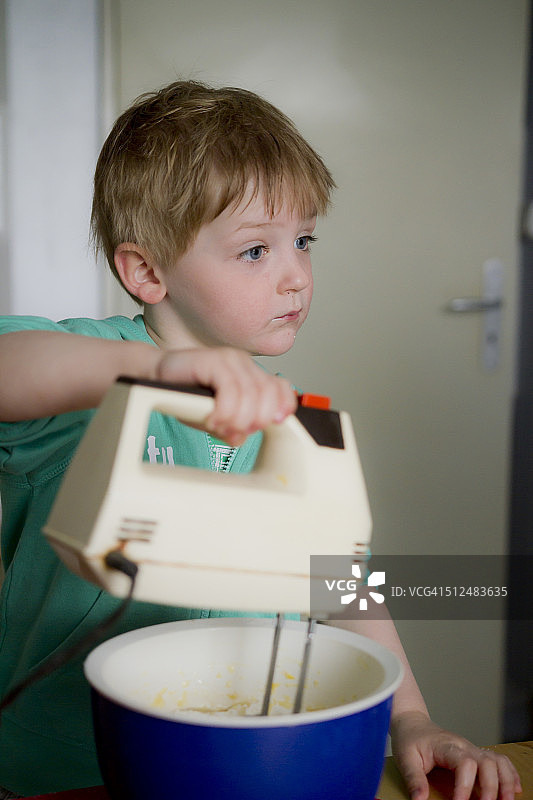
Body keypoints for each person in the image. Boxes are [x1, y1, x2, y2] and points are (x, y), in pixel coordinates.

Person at [0, 80, 521, 799]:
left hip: (242, 766)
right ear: (147, 271)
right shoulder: (87, 376)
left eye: (302, 242)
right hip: (60, 773)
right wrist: (152, 370)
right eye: (254, 252)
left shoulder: (295, 427)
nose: (295, 278)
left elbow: (343, 580)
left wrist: (410, 717)